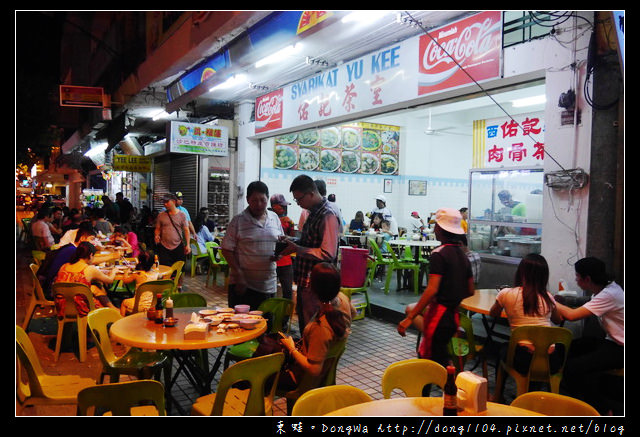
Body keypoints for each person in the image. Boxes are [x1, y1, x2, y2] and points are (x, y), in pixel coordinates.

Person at [397, 208, 474, 368]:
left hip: (438, 316)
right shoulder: (464, 256)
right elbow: (470, 290)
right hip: (453, 317)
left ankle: (436, 391)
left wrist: (410, 318)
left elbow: (432, 289)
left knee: (429, 363)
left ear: (439, 229)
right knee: (441, 360)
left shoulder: (438, 254)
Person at [554, 257, 624, 413]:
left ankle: (602, 409)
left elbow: (572, 316)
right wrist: (565, 300)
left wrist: (551, 301)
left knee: (573, 368)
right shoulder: (605, 289)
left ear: (587, 279)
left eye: (577, 276)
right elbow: (587, 301)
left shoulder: (610, 294)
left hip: (620, 349)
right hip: (610, 342)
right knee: (564, 349)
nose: (576, 279)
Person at [277, 263, 355, 391]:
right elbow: (353, 313)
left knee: (264, 377)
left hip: (306, 381)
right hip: (326, 376)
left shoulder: (321, 327)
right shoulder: (343, 299)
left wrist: (291, 348)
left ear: (312, 288)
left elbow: (313, 370)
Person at [282, 175, 340, 333]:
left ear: (311, 194)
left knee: (312, 329)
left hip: (317, 284)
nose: (298, 203)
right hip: (305, 281)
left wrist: (297, 249)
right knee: (305, 326)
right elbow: (310, 241)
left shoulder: (328, 214)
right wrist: (291, 240)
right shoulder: (314, 212)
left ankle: (311, 357)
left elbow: (328, 253)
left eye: (299, 199)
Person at [489, 254, 564, 376]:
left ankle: (499, 394)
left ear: (521, 272)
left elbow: (493, 313)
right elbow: (557, 320)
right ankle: (534, 390)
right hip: (551, 361)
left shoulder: (506, 293)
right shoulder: (548, 297)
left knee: (503, 348)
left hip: (523, 359)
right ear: (544, 276)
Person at [221, 181, 284, 310]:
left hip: (268, 285)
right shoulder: (238, 221)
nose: (259, 204)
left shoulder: (275, 218)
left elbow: (280, 242)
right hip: (243, 286)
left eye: (262, 200)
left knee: (267, 326)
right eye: (254, 200)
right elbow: (226, 250)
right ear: (247, 200)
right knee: (240, 327)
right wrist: (239, 274)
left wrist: (278, 255)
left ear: (267, 198)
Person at [37, 226, 98, 299]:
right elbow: (90, 261)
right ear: (82, 238)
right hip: (53, 289)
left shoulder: (70, 247)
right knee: (95, 285)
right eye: (92, 239)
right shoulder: (73, 251)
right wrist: (113, 256)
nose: (94, 242)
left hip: (51, 284)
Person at [54, 241, 118, 310]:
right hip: (80, 307)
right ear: (91, 255)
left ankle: (113, 308)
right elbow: (110, 280)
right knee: (97, 292)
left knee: (94, 288)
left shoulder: (64, 266)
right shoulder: (89, 269)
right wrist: (114, 271)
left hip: (61, 306)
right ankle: (113, 311)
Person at [119, 250, 161, 316]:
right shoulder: (156, 273)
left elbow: (125, 280)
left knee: (124, 302)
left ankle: (121, 321)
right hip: (152, 305)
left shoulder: (138, 274)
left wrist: (126, 271)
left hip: (139, 306)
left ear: (140, 261)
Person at [270, 194, 295, 301]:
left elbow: (292, 239)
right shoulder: (267, 219)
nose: (284, 208)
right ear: (274, 206)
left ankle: (285, 316)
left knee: (287, 291)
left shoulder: (289, 221)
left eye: (285, 206)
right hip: (271, 260)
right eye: (282, 206)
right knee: (270, 291)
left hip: (285, 261)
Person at [154, 193, 191, 267]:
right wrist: (156, 235)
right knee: (165, 268)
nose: (165, 204)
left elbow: (186, 230)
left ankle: (179, 279)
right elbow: (157, 229)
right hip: (164, 247)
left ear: (174, 201)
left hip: (178, 246)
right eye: (164, 202)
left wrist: (188, 245)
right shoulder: (161, 215)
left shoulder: (182, 215)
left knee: (179, 269)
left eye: (167, 202)